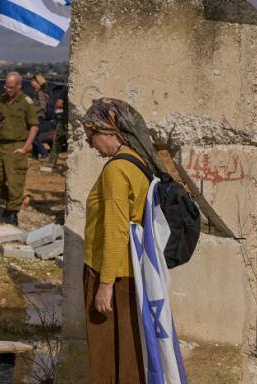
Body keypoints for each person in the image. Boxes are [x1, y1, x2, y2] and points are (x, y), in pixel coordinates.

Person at [80, 98, 159, 382]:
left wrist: (105, 286)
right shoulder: (138, 162)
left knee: (106, 360)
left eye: (91, 135)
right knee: (129, 356)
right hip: (130, 272)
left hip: (111, 274)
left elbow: (116, 230)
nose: (90, 144)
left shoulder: (116, 170)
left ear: (108, 130)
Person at [0, 72, 38, 224]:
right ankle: (12, 200)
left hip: (17, 144)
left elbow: (34, 126)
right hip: (1, 144)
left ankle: (12, 211)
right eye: (6, 86)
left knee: (15, 181)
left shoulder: (26, 102)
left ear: (19, 86)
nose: (8, 90)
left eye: (11, 87)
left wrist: (25, 147)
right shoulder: (2, 99)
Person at [29, 74, 51, 160]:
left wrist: (32, 110)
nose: (31, 83)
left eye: (33, 81)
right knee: (35, 136)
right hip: (36, 116)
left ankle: (44, 153)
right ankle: (35, 156)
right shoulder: (36, 92)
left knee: (33, 136)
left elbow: (42, 106)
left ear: (38, 83)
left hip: (38, 116)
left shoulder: (40, 93)